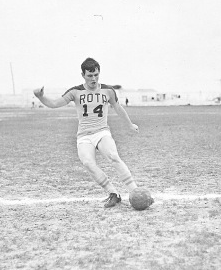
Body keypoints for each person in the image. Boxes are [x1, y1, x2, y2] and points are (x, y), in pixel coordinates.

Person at [34, 58, 144, 208]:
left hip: (102, 131)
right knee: (87, 163)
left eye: (96, 75)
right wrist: (40, 97)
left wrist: (130, 124)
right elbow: (54, 104)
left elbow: (118, 108)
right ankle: (113, 193)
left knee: (113, 156)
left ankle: (135, 192)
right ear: (83, 75)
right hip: (84, 135)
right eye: (90, 76)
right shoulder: (75, 91)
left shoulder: (108, 91)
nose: (93, 79)